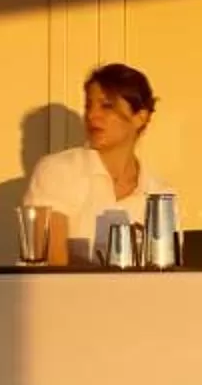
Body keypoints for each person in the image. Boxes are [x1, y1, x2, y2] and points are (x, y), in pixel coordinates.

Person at [23, 64, 171, 265]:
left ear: (140, 117)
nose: (92, 115)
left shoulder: (160, 193)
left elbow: (166, 271)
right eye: (88, 106)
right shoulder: (58, 170)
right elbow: (53, 267)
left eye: (106, 106)